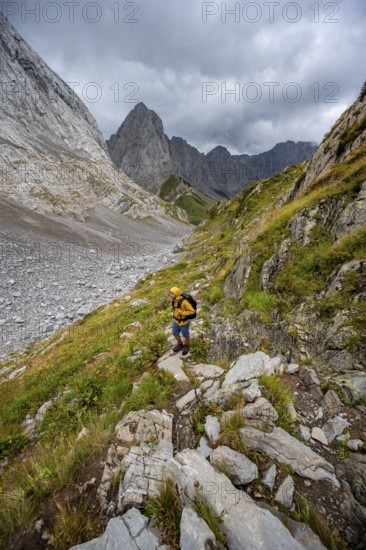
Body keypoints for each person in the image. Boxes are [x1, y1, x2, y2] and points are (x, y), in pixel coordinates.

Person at [169, 286, 195, 356]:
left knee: (185, 335)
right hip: (176, 321)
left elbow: (192, 311)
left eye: (172, 293)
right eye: (170, 293)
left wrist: (182, 313)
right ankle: (180, 344)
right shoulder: (174, 300)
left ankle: (186, 346)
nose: (170, 295)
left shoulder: (184, 302)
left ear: (176, 293)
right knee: (175, 333)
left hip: (184, 322)